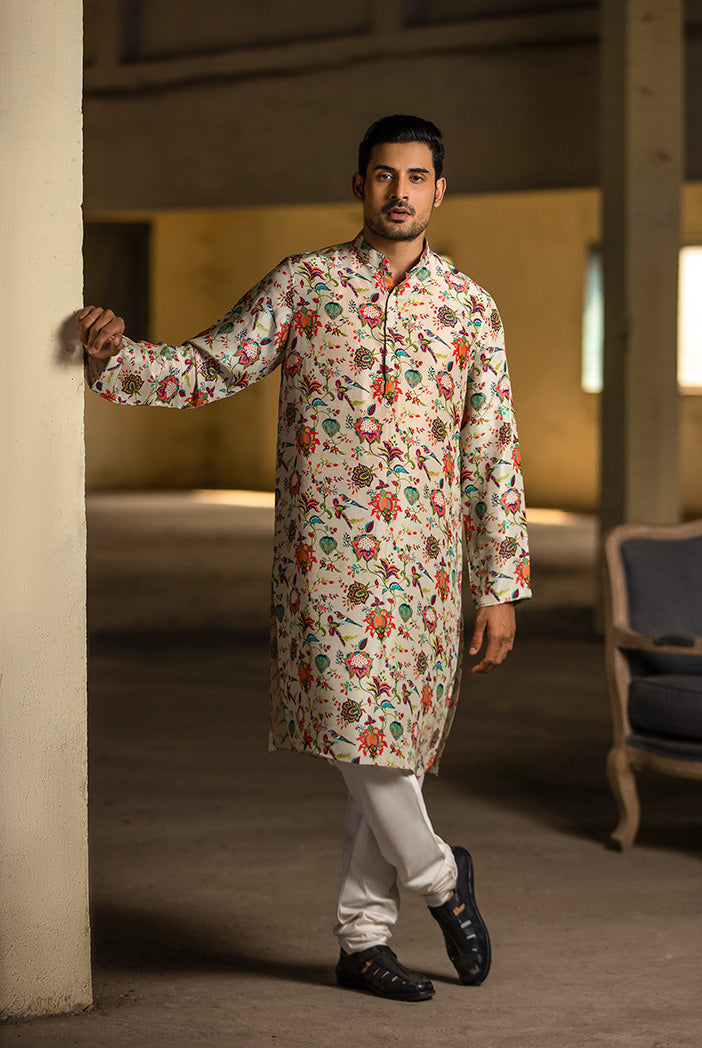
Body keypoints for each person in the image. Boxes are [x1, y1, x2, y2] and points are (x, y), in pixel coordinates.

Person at [78, 114, 531, 1003]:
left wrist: (500, 585)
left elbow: (491, 451)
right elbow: (211, 365)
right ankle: (442, 877)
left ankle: (363, 942)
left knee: (391, 746)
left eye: (416, 177)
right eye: (383, 175)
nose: (399, 192)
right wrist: (112, 357)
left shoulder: (469, 308)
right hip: (324, 561)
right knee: (352, 726)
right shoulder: (306, 284)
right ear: (359, 184)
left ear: (440, 191)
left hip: (428, 568)